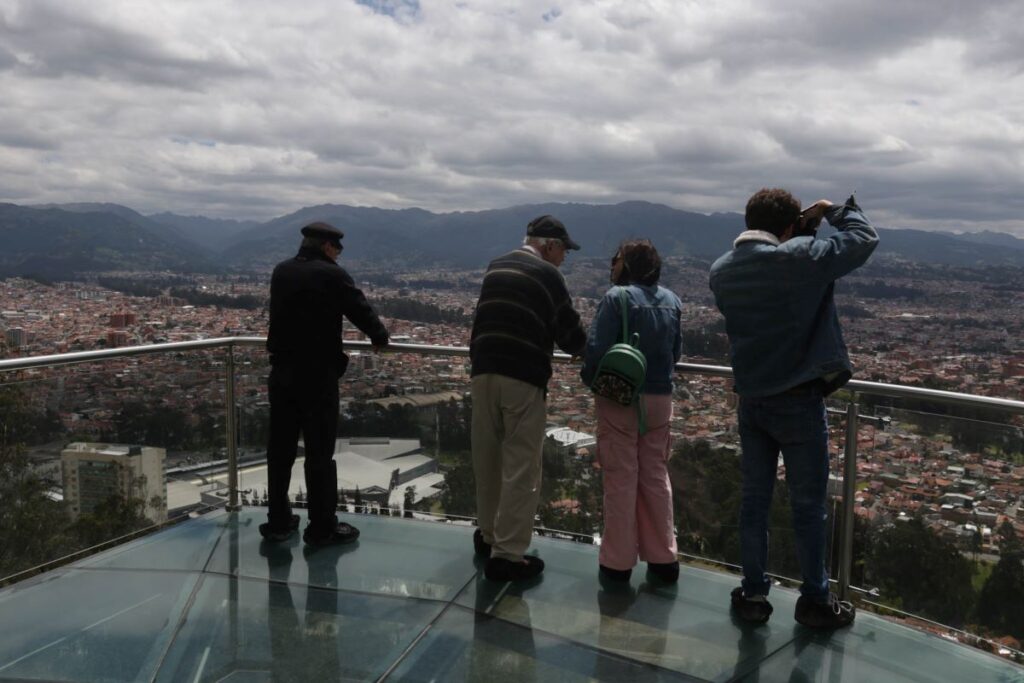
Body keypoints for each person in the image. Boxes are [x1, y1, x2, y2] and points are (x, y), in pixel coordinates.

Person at [709, 189, 878, 628]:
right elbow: (863, 240)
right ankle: (815, 600)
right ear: (787, 227)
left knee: (754, 502)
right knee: (807, 506)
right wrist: (833, 211)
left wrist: (797, 232)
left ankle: (752, 594)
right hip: (799, 399)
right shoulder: (799, 258)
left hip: (752, 400)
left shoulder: (720, 272)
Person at [470, 214, 587, 581]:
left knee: (487, 458)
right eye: (564, 249)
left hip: (483, 369)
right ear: (549, 245)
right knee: (521, 466)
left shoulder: (496, 264)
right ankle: (507, 555)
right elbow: (570, 332)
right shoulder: (548, 275)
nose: (564, 257)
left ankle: (488, 536)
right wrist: (589, 352)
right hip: (521, 375)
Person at [261, 221, 389, 547]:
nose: (339, 254)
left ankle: (278, 520)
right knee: (319, 453)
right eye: (338, 249)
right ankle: (321, 527)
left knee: (280, 451)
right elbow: (359, 308)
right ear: (328, 247)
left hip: (282, 373)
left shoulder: (281, 271)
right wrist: (379, 335)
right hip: (317, 376)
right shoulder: (332, 275)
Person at [581, 239, 683, 584]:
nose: (612, 266)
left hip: (621, 397)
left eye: (616, 260)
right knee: (655, 474)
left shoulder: (616, 299)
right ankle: (663, 559)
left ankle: (617, 563)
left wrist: (592, 381)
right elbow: (676, 353)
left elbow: (596, 351)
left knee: (621, 477)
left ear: (628, 265)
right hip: (660, 398)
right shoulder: (673, 301)